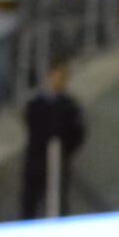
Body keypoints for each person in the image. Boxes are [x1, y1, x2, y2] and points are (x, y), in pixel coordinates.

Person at [20, 64, 85, 219]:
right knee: (30, 205)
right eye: (52, 77)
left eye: (59, 78)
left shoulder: (70, 106)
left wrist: (64, 152)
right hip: (36, 164)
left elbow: (78, 133)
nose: (54, 81)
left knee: (58, 204)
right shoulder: (35, 104)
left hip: (58, 163)